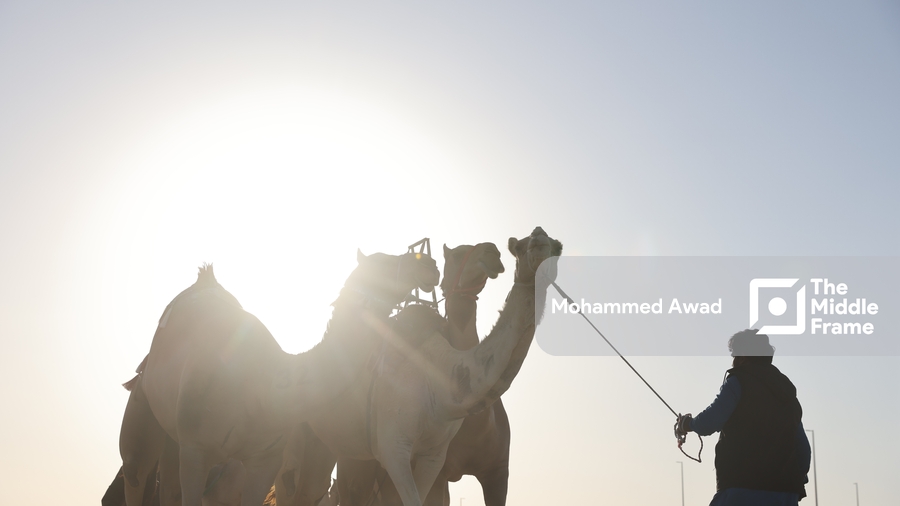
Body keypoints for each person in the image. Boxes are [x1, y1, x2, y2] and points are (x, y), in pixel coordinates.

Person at [675, 329, 811, 506]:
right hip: (786, 493)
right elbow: (804, 450)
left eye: (735, 354)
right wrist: (793, 483)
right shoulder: (788, 395)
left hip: (742, 489)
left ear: (743, 355)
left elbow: (709, 422)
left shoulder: (739, 381)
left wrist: (687, 424)